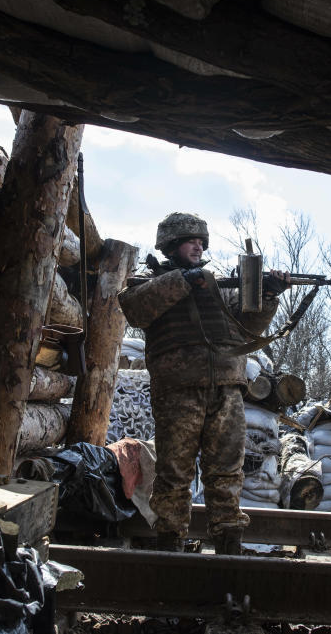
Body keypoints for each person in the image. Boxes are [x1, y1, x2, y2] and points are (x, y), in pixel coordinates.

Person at [118, 212, 289, 554]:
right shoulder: (151, 280)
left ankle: (228, 543)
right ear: (171, 245)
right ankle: (169, 545)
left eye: (201, 242)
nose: (198, 247)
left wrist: (267, 295)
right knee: (174, 474)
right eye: (190, 241)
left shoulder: (216, 287)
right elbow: (135, 307)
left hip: (226, 389)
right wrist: (184, 280)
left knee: (227, 473)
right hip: (178, 391)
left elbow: (246, 328)